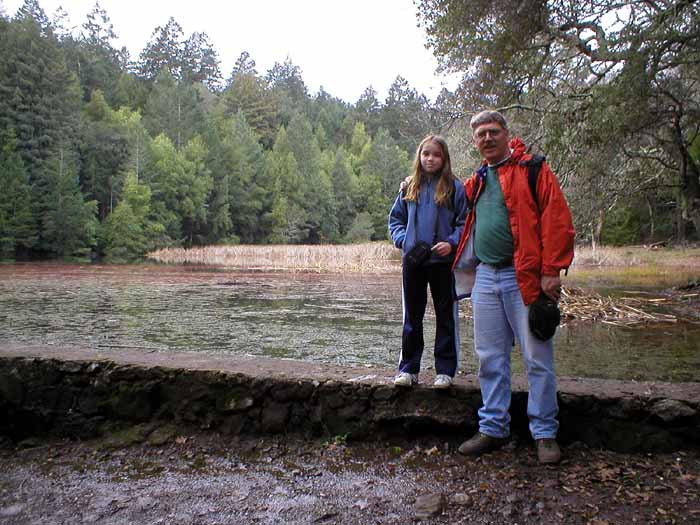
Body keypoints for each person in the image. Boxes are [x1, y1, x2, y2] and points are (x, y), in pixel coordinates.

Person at [452, 110, 575, 464]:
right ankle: (493, 427)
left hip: (526, 276)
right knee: (490, 357)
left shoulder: (533, 169)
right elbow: (443, 200)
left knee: (537, 357)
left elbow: (557, 220)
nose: (487, 139)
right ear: (475, 143)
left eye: (493, 132)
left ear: (506, 134)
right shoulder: (475, 181)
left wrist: (551, 271)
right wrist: (409, 187)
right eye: (480, 135)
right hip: (485, 277)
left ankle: (545, 433)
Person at [389, 135, 468, 389]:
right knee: (412, 316)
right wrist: (405, 241)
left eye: (435, 154)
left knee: (446, 315)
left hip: (443, 262)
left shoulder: (455, 187)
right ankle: (408, 369)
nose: (430, 159)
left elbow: (464, 222)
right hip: (413, 261)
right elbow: (395, 221)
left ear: (444, 158)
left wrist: (452, 243)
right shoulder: (409, 187)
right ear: (419, 157)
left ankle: (444, 371)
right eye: (426, 154)